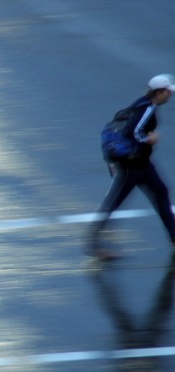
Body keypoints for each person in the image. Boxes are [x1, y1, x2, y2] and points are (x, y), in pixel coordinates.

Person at [87, 74, 175, 259]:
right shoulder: (147, 108)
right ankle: (93, 244)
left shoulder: (140, 105)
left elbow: (118, 124)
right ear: (159, 93)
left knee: (161, 193)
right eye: (168, 91)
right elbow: (131, 131)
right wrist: (149, 139)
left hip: (142, 164)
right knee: (113, 203)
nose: (170, 95)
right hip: (131, 166)